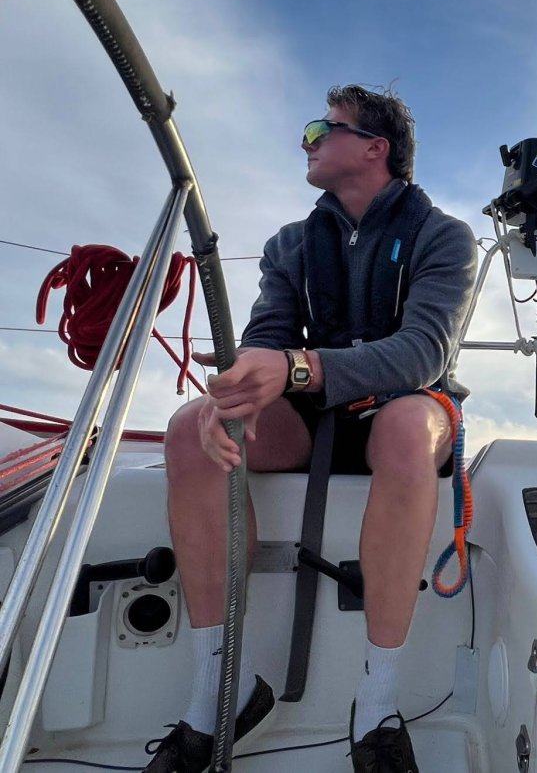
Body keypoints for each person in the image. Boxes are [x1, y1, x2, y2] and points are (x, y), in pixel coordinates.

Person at [143, 85, 477, 773]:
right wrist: (236, 394)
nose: (308, 141)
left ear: (375, 147)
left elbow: (422, 355)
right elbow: (266, 340)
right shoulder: (290, 246)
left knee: (406, 429)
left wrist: (295, 368)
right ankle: (217, 698)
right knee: (189, 430)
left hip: (407, 408)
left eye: (321, 128)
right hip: (315, 416)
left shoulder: (444, 237)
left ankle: (377, 706)